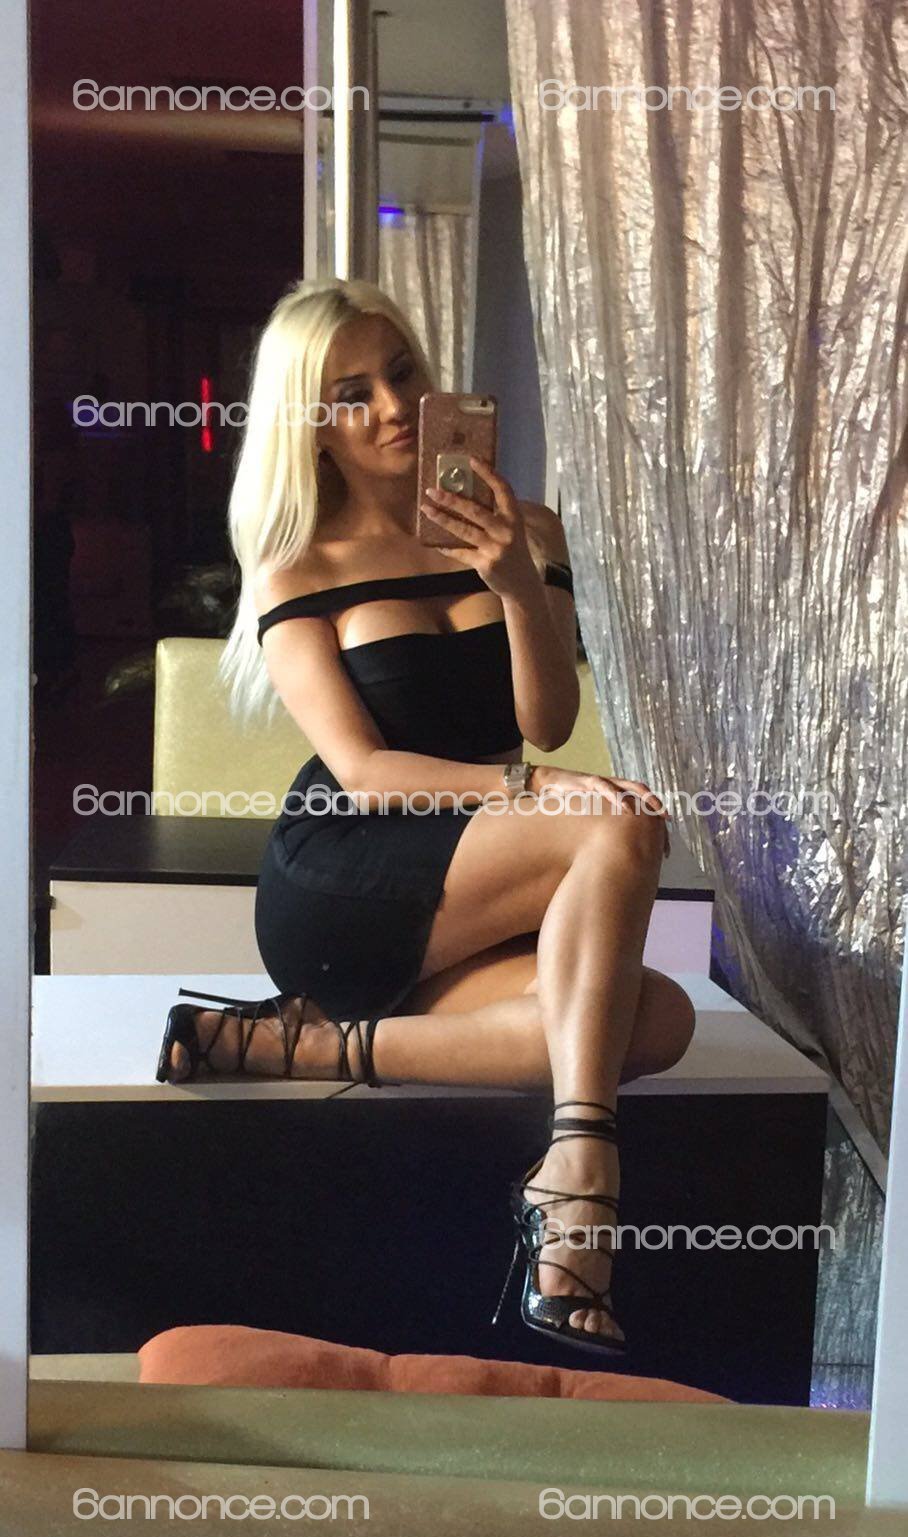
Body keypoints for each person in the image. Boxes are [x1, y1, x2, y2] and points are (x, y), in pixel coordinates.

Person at [157, 277, 696, 1354]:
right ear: (313, 426)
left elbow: (544, 721)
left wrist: (513, 580)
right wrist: (537, 792)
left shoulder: (522, 527)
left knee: (658, 1020)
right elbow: (363, 772)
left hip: (477, 868)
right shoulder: (296, 563)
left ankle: (296, 1048)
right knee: (618, 825)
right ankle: (579, 1175)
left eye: (401, 372)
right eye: (351, 393)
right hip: (343, 871)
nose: (394, 407)